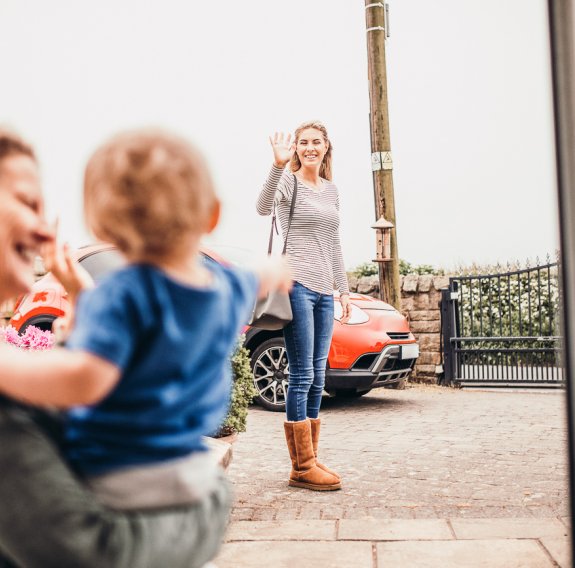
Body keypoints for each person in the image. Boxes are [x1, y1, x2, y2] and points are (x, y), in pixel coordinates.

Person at [0, 128, 291, 567]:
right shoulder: (224, 287)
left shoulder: (122, 294)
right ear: (211, 216)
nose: (45, 226)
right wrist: (274, 266)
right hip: (188, 473)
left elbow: (87, 379)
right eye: (28, 203)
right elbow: (260, 276)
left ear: (101, 226)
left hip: (124, 479)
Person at [256, 120, 351, 492]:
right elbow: (263, 207)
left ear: (327, 147)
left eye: (316, 142)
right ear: (296, 147)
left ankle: (310, 457)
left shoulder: (331, 190)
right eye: (303, 142)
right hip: (296, 284)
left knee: (318, 376)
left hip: (325, 291)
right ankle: (301, 466)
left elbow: (334, 243)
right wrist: (278, 165)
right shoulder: (288, 181)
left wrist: (343, 289)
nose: (310, 147)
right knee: (302, 376)